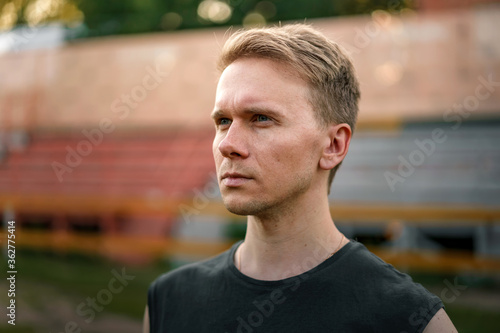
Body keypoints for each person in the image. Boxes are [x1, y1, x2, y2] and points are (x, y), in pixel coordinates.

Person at [144, 24, 457, 333]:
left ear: (333, 145)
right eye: (223, 121)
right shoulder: (168, 301)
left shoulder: (408, 318)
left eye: (261, 119)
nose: (227, 144)